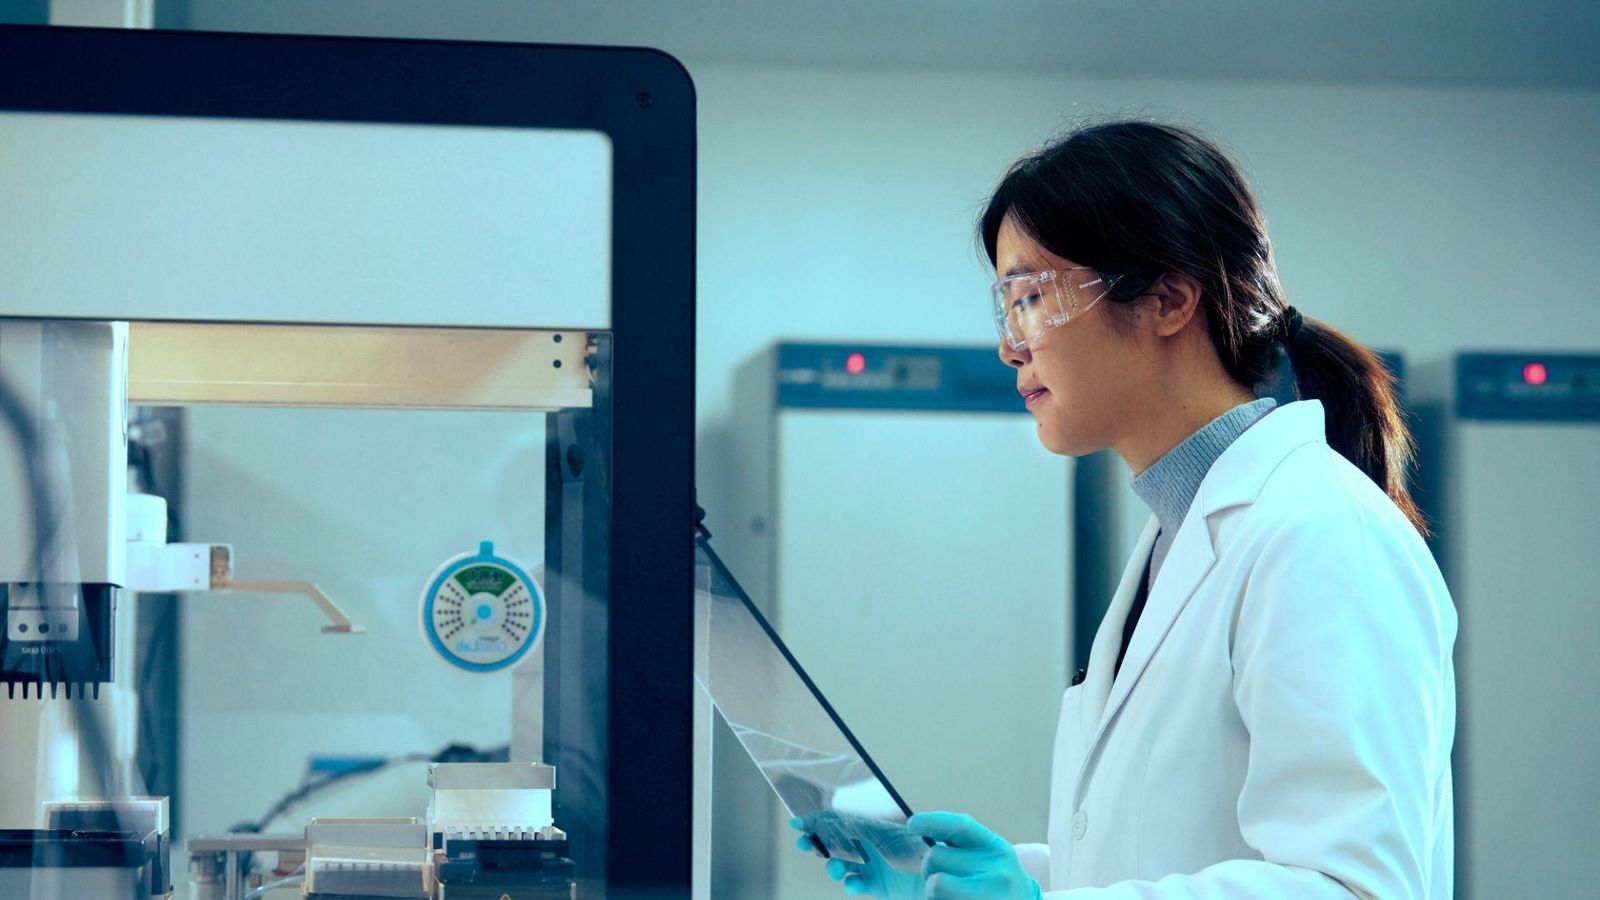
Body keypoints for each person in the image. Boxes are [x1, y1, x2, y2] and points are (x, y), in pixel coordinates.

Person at [795, 120, 1457, 899]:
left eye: (1033, 298)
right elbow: (1158, 852)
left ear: (1170, 299)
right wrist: (992, 878)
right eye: (1007, 306)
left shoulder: (1322, 534)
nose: (1012, 346)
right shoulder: (1181, 536)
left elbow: (1353, 886)